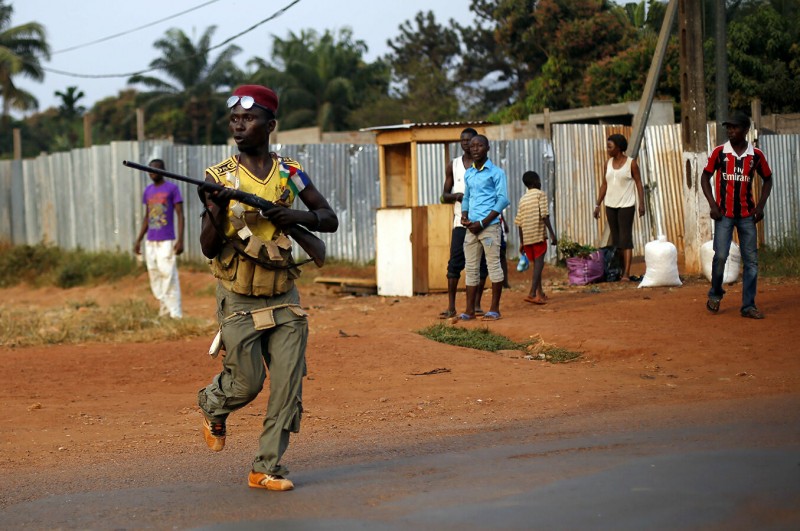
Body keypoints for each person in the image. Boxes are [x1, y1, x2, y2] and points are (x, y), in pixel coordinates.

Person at [196, 85, 338, 491]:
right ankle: (212, 404)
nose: (239, 126)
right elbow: (207, 246)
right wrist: (217, 207)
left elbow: (328, 219)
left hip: (283, 296)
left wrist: (290, 215)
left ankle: (266, 468)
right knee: (248, 383)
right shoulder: (217, 177)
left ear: (270, 125)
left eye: (249, 118)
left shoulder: (290, 172)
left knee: (288, 386)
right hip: (238, 297)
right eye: (235, 120)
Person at [701, 110, 772, 319]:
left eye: (735, 127)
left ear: (746, 130)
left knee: (751, 262)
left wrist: (760, 206)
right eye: (728, 127)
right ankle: (715, 293)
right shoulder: (720, 152)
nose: (730, 131)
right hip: (723, 215)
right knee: (721, 256)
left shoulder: (755, 155)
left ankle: (748, 306)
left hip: (747, 216)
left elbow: (768, 179)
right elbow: (705, 177)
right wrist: (713, 205)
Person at [438, 127, 488, 319]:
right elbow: (444, 195)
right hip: (461, 222)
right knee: (454, 264)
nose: (466, 143)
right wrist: (457, 196)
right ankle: (451, 307)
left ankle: (476, 304)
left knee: (481, 265)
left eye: (469, 140)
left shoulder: (485, 166)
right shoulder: (454, 165)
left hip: (482, 222)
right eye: (462, 140)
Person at [460, 134, 510, 321]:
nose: (475, 149)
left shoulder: (496, 173)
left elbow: (503, 199)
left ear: (487, 148)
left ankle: (494, 309)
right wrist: (464, 215)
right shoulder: (469, 173)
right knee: (471, 269)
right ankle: (470, 310)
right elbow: (466, 197)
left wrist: (482, 223)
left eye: (479, 146)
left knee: (494, 267)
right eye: (472, 146)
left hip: (489, 227)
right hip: (471, 228)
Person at [134, 158, 184, 319]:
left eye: (156, 169)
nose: (153, 172)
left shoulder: (172, 189)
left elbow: (180, 215)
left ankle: (175, 314)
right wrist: (138, 239)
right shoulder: (148, 191)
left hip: (166, 239)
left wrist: (181, 239)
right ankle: (164, 311)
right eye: (150, 170)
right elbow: (147, 217)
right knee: (155, 274)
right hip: (151, 240)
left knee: (168, 274)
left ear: (163, 171)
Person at [593, 134, 645, 281]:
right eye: (607, 146)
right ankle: (620, 270)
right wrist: (598, 204)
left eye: (610, 146)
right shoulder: (607, 163)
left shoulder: (631, 163)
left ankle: (626, 274)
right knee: (616, 240)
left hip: (626, 205)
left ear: (619, 147)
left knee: (625, 239)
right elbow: (604, 184)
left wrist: (642, 203)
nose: (607, 149)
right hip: (610, 205)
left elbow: (639, 183)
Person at [515, 171, 557, 304]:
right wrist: (552, 233)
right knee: (539, 265)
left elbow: (519, 223)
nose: (540, 182)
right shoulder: (540, 194)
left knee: (536, 266)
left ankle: (540, 293)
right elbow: (544, 215)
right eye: (538, 180)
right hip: (538, 235)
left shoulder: (523, 199)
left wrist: (522, 241)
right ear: (534, 182)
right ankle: (532, 293)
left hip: (527, 238)